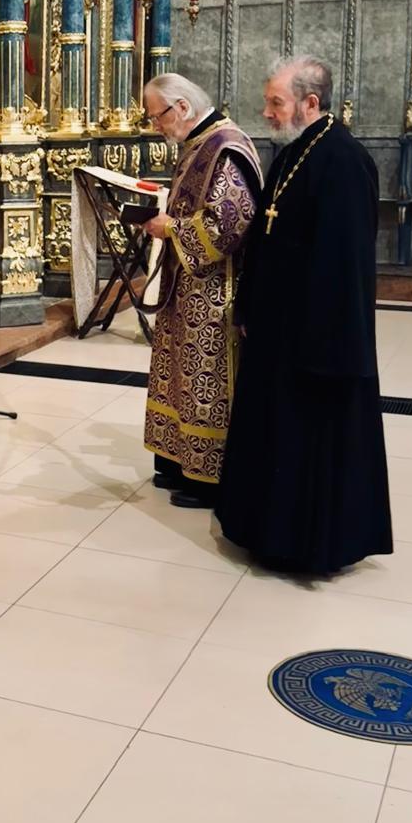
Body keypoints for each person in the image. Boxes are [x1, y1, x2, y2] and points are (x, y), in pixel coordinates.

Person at [217, 56, 392, 575]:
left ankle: (305, 546)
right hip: (275, 330)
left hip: (317, 338)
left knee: (307, 438)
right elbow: (265, 238)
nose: (267, 112)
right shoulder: (292, 153)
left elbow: (345, 266)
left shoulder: (344, 162)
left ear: (310, 102)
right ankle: (265, 532)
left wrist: (325, 342)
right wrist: (249, 304)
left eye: (276, 102)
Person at [141, 75, 261, 508]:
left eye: (158, 116)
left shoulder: (224, 147)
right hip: (187, 284)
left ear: (182, 107)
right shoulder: (198, 144)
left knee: (204, 377)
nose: (156, 125)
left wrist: (171, 228)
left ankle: (208, 478)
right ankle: (178, 460)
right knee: (178, 375)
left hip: (214, 291)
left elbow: (230, 222)